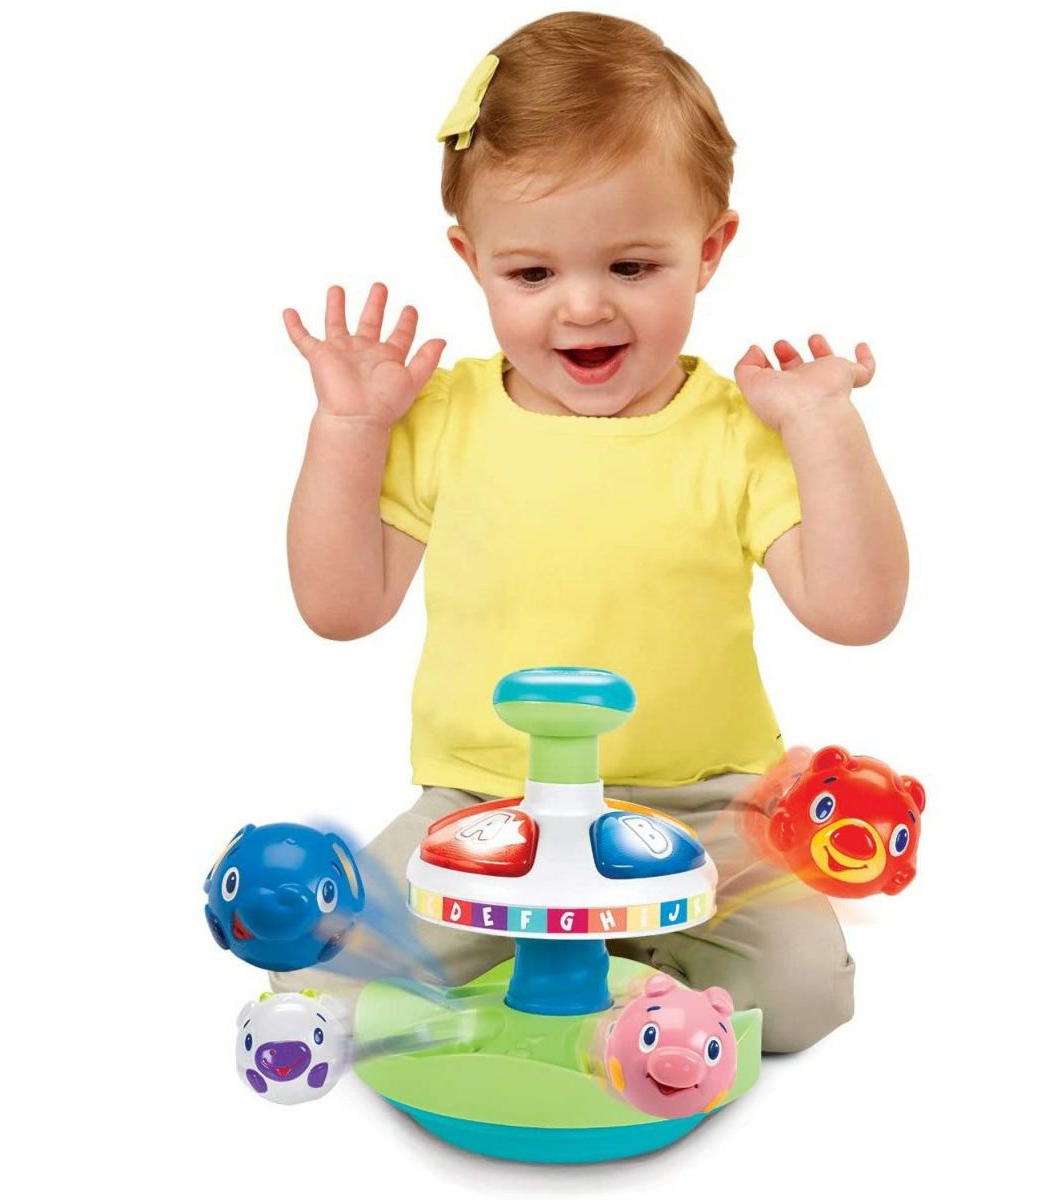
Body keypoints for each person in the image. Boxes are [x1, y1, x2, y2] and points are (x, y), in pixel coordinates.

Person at [276, 12, 908, 1053]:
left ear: (709, 250)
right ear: (471, 259)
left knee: (803, 999)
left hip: (702, 810)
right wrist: (349, 430)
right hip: (483, 807)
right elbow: (339, 609)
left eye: (632, 267)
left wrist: (825, 428)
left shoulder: (740, 428)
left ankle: (618, 974)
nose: (582, 308)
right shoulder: (443, 416)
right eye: (531, 275)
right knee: (328, 974)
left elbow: (859, 611)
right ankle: (583, 958)